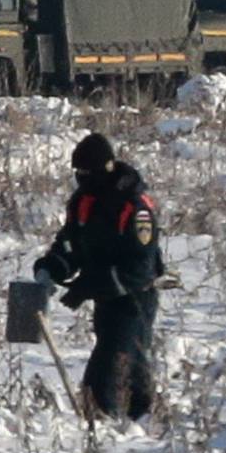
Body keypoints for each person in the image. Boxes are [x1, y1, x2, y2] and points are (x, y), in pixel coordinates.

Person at [33, 132, 163, 420]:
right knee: (132, 365)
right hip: (105, 300)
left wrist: (89, 285)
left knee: (108, 367)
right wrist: (51, 267)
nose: (80, 178)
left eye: (86, 172)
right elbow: (70, 243)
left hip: (134, 300)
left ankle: (99, 424)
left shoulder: (135, 207)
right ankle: (143, 418)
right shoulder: (83, 202)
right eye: (77, 173)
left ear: (105, 169)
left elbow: (140, 268)